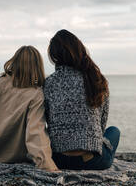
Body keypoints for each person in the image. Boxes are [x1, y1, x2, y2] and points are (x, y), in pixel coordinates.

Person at [0, 46, 59, 172]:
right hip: (5, 157)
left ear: (15, 62)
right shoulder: (35, 94)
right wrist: (48, 166)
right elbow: (35, 132)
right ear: (37, 66)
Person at [44, 29, 120, 170]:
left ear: (55, 56)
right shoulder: (96, 79)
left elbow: (48, 120)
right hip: (92, 162)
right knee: (114, 131)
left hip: (58, 160)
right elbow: (101, 123)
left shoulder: (49, 83)